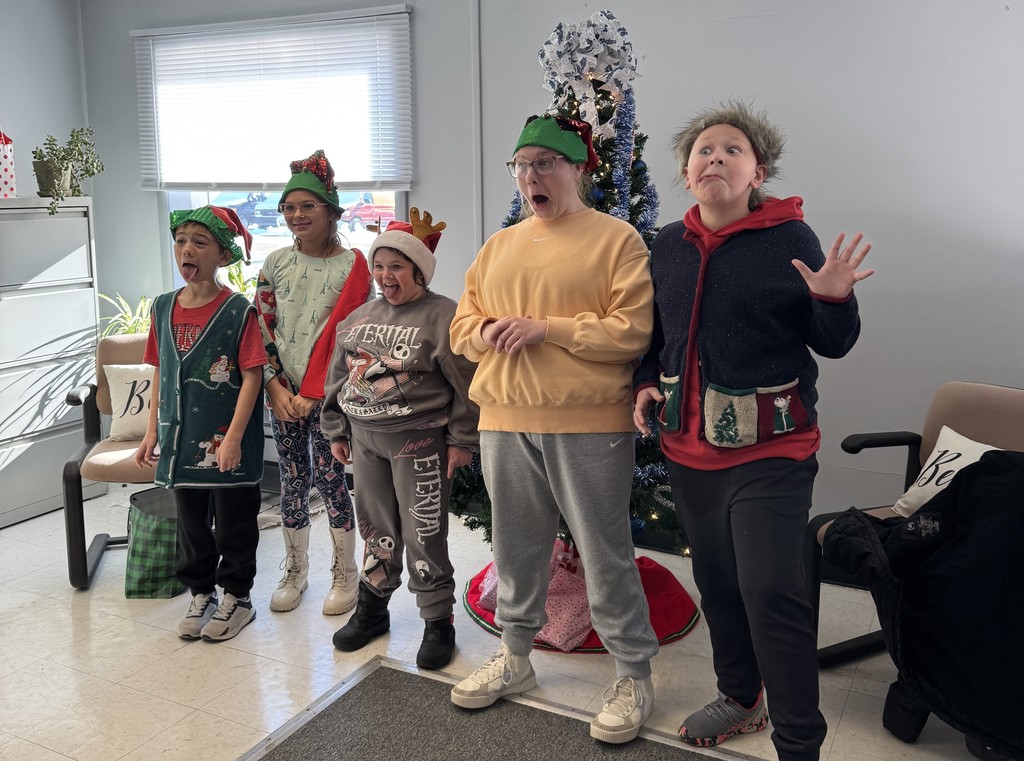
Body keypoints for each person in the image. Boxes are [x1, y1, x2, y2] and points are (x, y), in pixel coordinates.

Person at [632, 102, 875, 761]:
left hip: (773, 453)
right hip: (689, 453)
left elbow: (835, 342)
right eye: (703, 150)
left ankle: (799, 742)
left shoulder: (791, 240)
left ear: (756, 171)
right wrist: (645, 382)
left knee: (773, 590)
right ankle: (741, 697)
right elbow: (656, 338)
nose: (715, 157)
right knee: (717, 583)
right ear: (687, 173)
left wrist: (834, 298)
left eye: (731, 149)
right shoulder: (665, 246)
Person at [448, 114, 660, 744]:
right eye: (521, 165)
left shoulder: (616, 240)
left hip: (589, 425)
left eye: (545, 163)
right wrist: (487, 332)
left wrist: (549, 328)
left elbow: (632, 331)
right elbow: (462, 328)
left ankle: (634, 675)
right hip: (504, 419)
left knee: (604, 551)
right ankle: (516, 660)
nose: (530, 176)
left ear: (579, 169)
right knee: (514, 549)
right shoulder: (499, 246)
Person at [320, 208, 478, 670]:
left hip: (419, 442)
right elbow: (338, 375)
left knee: (423, 531)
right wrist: (336, 428)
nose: (386, 276)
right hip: (365, 439)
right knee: (376, 527)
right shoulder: (359, 317)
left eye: (397, 267)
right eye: (380, 266)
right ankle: (372, 610)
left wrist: (462, 440)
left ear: (418, 271)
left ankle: (436, 620)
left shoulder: (444, 316)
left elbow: (467, 384)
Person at [135, 205, 267, 642]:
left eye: (199, 242)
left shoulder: (237, 311)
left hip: (227, 443)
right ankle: (202, 592)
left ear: (223, 256)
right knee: (191, 523)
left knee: (234, 522)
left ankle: (237, 597)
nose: (186, 249)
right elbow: (160, 371)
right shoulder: (162, 308)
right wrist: (152, 431)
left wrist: (232, 439)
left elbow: (252, 375)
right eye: (180, 241)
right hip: (179, 440)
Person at [254, 150, 373, 616]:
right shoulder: (276, 262)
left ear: (331, 209)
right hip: (283, 395)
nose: (297, 215)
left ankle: (345, 573)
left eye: (308, 206)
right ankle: (294, 569)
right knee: (291, 479)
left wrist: (316, 394)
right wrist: (274, 386)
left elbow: (356, 335)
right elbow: (261, 326)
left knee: (331, 480)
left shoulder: (353, 267)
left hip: (331, 400)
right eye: (289, 208)